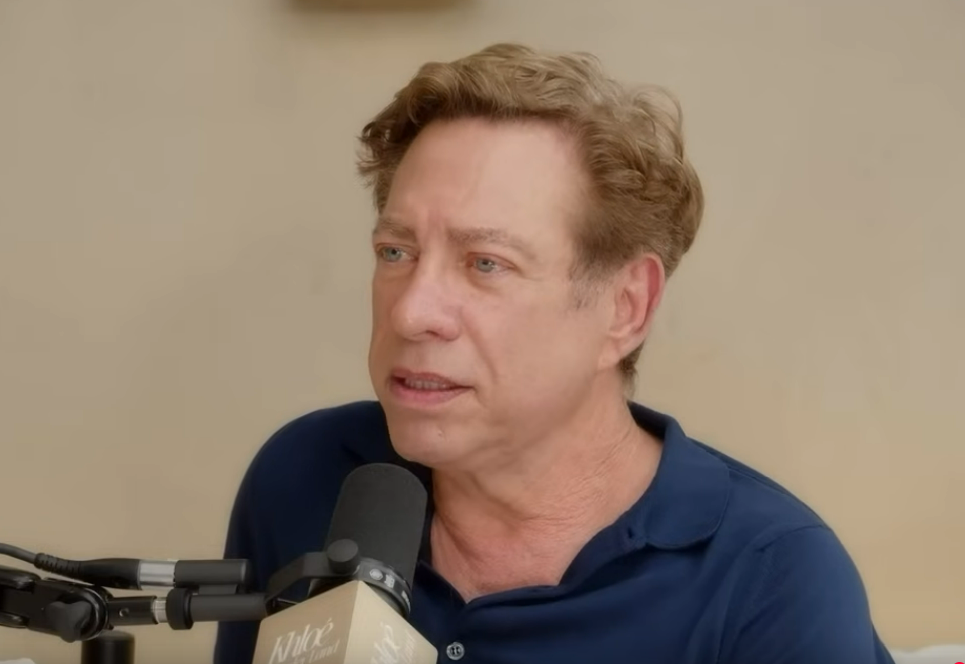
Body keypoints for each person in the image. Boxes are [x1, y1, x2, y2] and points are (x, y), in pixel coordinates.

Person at [214, 43, 896, 664]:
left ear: (626, 308)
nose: (411, 310)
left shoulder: (771, 577)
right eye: (396, 252)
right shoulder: (303, 480)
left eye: (485, 263)